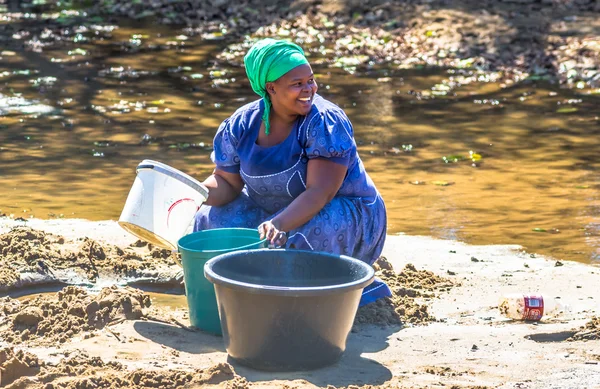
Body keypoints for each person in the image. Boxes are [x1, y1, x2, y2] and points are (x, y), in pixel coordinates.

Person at [195, 38, 391, 305]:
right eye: (297, 84)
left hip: (345, 213)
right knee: (210, 218)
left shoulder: (324, 121)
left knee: (298, 234)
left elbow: (320, 192)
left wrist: (278, 224)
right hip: (274, 213)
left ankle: (340, 284)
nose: (308, 89)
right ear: (270, 88)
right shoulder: (241, 124)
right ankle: (239, 291)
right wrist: (193, 193)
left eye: (310, 80)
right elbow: (226, 183)